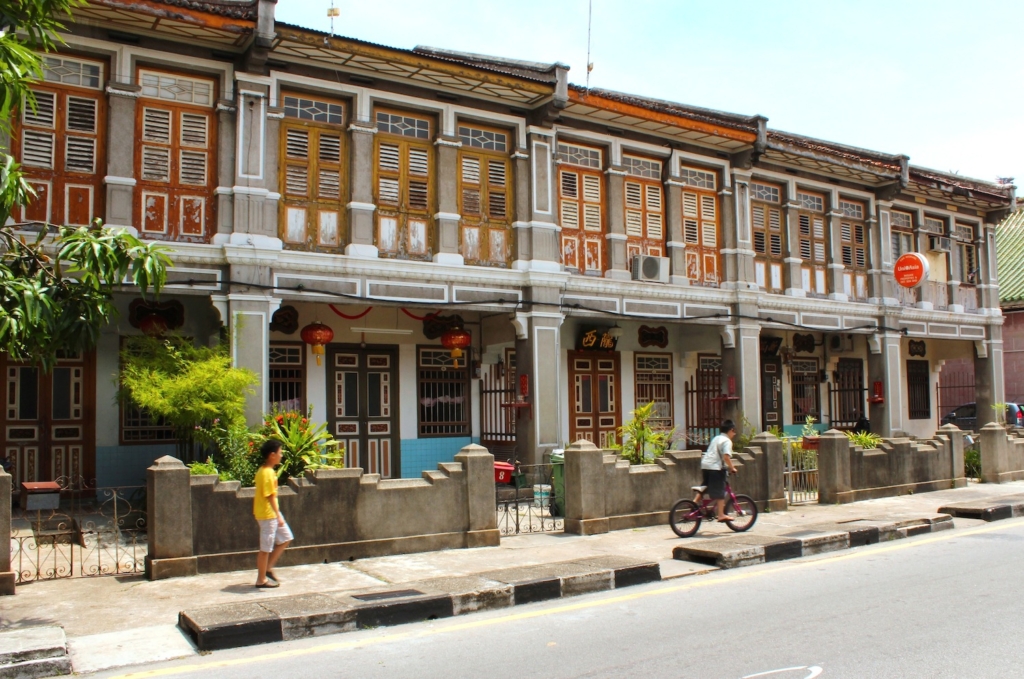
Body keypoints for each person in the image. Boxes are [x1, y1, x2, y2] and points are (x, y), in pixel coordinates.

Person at [254, 439, 293, 589]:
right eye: (279, 453)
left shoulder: (265, 471)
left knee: (286, 537)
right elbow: (269, 495)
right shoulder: (267, 473)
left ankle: (268, 568)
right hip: (267, 515)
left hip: (270, 513)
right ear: (272, 455)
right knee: (266, 548)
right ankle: (261, 579)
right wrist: (278, 515)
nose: (281, 455)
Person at [696, 420, 739, 522]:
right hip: (715, 468)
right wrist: (732, 468)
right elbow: (726, 457)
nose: (734, 434)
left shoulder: (716, 438)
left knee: (704, 487)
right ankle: (721, 515)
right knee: (720, 491)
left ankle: (693, 504)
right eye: (734, 431)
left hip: (705, 465)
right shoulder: (727, 441)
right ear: (731, 430)